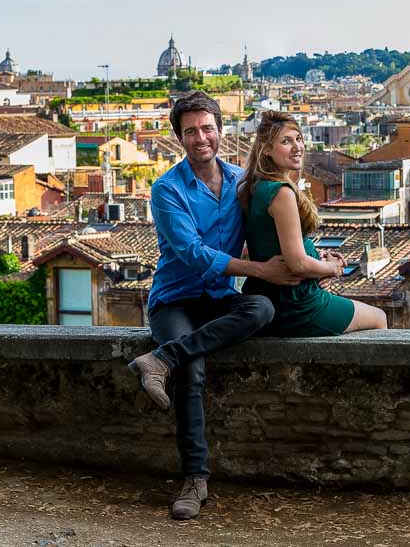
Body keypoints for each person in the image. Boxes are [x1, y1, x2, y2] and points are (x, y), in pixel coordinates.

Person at [127, 91, 301, 521]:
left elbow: (276, 213)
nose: (201, 137)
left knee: (261, 309)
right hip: (175, 300)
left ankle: (160, 359)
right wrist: (260, 268)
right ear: (180, 139)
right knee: (194, 370)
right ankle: (195, 480)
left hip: (220, 298)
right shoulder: (167, 189)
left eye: (207, 128)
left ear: (220, 131)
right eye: (191, 131)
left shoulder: (241, 183)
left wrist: (312, 262)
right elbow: (193, 253)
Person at [238, 110, 388, 335]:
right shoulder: (281, 193)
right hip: (298, 304)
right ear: (266, 150)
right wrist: (332, 268)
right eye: (286, 141)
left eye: (298, 138)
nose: (297, 147)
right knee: (379, 318)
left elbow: (273, 245)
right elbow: (297, 263)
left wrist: (317, 261)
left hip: (269, 296)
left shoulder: (252, 187)